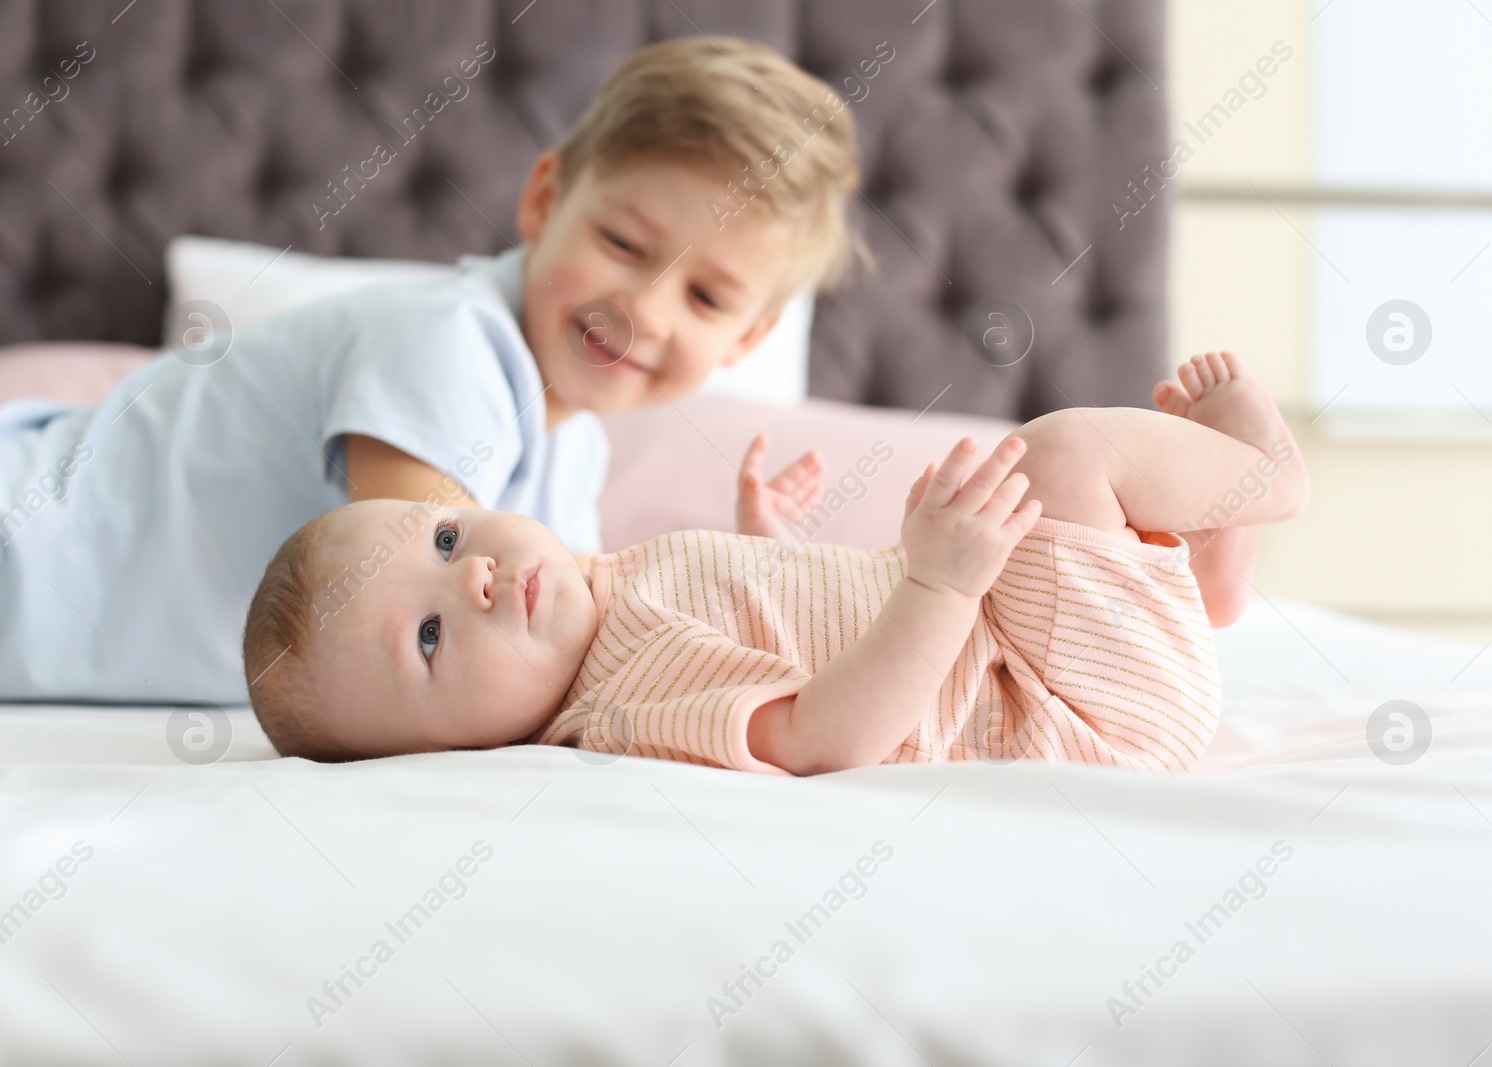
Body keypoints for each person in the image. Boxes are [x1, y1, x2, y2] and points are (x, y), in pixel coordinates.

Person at [0, 36, 857, 703]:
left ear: (750, 339)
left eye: (707, 299)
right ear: (545, 199)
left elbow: (590, 645)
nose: (648, 311)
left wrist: (750, 590)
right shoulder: (447, 344)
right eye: (624, 244)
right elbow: (451, 614)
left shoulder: (573, 459)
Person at [243, 352, 1310, 775]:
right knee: (1057, 456)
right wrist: (939, 581)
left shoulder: (614, 598)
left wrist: (766, 547)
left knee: (1039, 498)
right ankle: (1262, 475)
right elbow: (819, 732)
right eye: (429, 636)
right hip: (1073, 709)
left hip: (1061, 664)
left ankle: (1207, 587)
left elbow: (791, 640)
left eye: (442, 538)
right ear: (432, 752)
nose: (470, 579)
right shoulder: (621, 694)